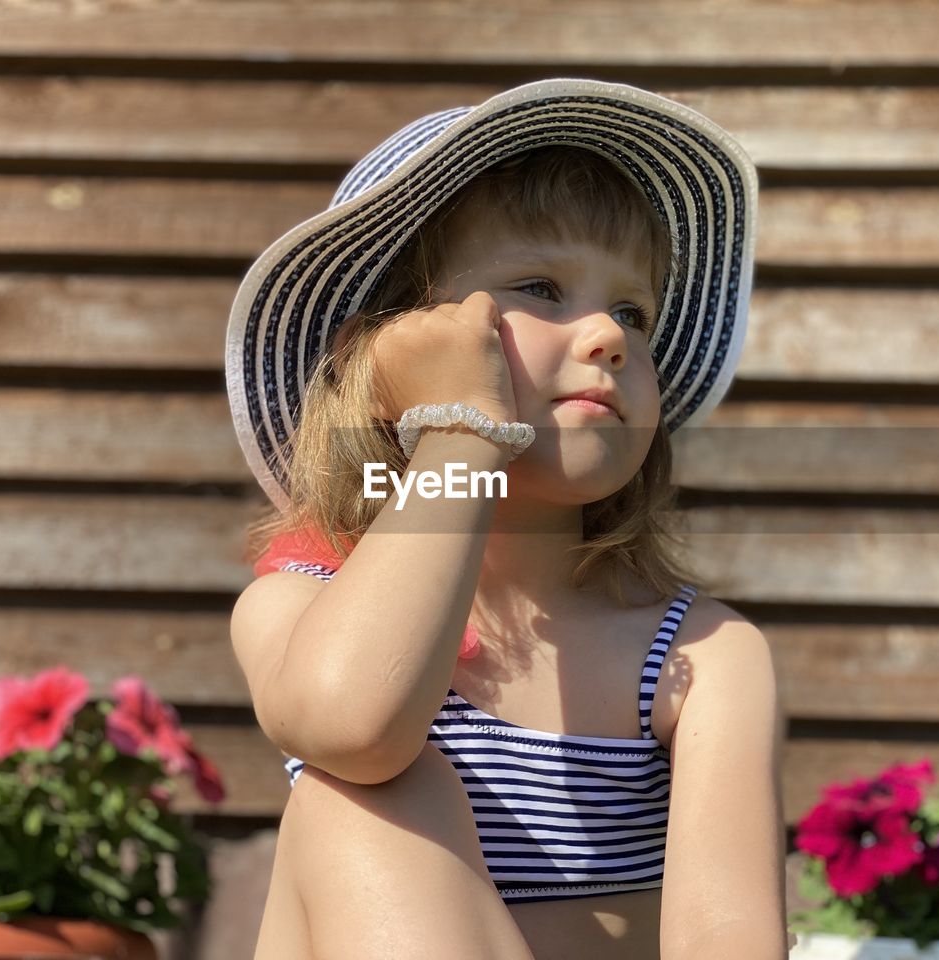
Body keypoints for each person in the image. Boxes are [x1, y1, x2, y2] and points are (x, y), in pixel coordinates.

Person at [227, 79, 787, 959]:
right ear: (384, 362)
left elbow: (730, 940)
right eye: (541, 285)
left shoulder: (702, 658)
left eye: (633, 311)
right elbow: (354, 729)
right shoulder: (297, 606)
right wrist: (463, 432)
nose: (608, 333)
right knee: (367, 793)